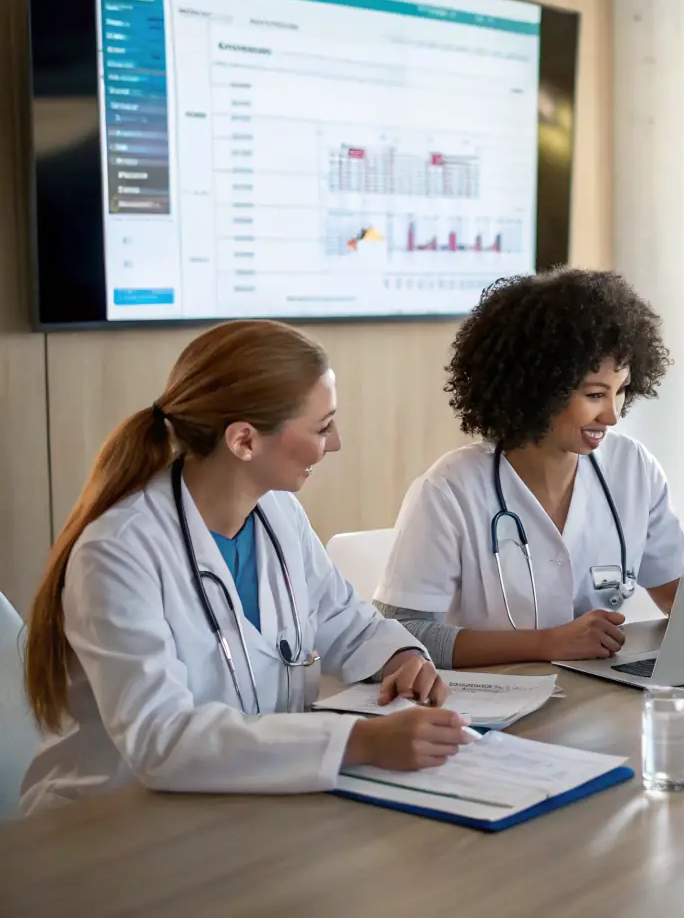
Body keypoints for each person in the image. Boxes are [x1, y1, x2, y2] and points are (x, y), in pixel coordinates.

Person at [21, 321, 472, 816]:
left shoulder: (277, 513)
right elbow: (160, 738)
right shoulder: (117, 552)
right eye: (322, 428)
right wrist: (358, 741)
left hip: (244, 805)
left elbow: (344, 620)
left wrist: (402, 659)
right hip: (113, 822)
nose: (336, 443)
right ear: (243, 441)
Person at [372, 269, 684, 667]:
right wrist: (548, 644)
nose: (612, 416)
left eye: (620, 391)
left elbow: (677, 596)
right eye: (594, 395)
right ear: (537, 389)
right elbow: (398, 638)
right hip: (487, 714)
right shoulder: (451, 489)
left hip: (600, 703)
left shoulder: (634, 468)